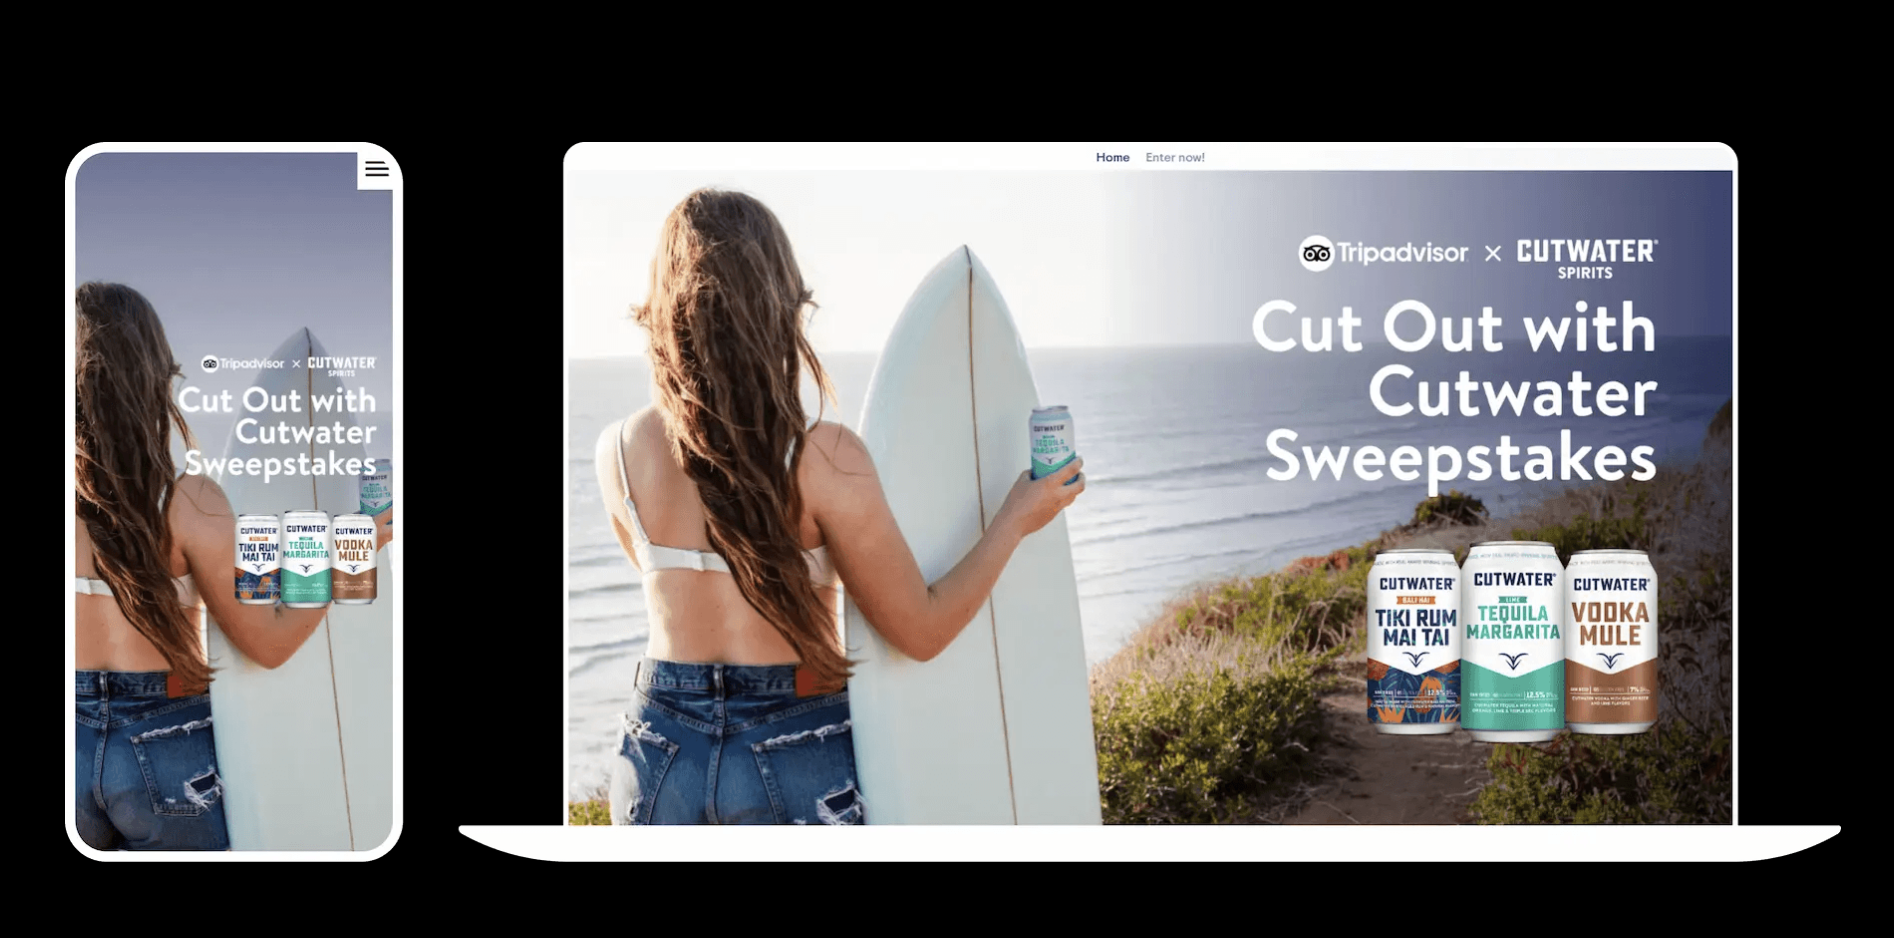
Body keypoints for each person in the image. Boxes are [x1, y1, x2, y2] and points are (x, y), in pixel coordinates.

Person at [598, 188, 1085, 825]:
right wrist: (1017, 517)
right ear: (778, 301)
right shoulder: (823, 457)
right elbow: (921, 631)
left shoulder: (619, 451)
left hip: (659, 751)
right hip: (790, 740)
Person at [74, 282, 393, 850]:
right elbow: (268, 643)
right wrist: (350, 551)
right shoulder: (192, 503)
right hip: (166, 744)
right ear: (154, 376)